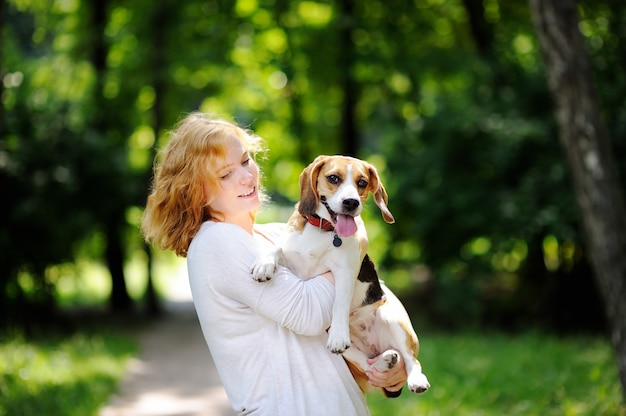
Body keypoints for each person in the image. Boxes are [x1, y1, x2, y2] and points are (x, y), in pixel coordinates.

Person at [141, 111, 407, 415]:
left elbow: (369, 299)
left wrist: (392, 369)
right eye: (225, 174)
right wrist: (355, 246)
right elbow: (309, 314)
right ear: (194, 191)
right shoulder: (215, 242)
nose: (246, 176)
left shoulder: (278, 235)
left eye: (245, 161)